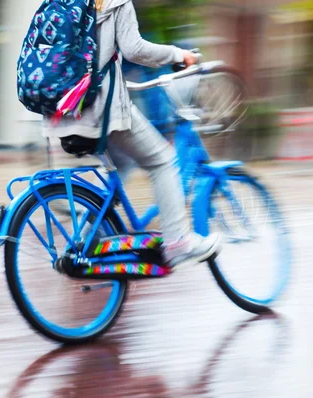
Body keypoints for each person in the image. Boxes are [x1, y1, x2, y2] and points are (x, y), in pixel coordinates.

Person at [44, 0, 220, 267]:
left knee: (123, 163)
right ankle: (178, 243)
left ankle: (93, 237)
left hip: (61, 109)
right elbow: (135, 49)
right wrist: (178, 55)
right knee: (162, 159)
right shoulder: (116, 2)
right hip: (100, 110)